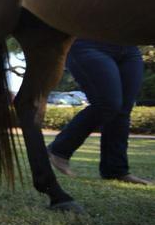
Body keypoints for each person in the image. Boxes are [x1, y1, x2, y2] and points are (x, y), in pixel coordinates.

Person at [48, 40, 151, 185]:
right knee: (108, 104)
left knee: (123, 111)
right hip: (89, 43)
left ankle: (115, 170)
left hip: (130, 48)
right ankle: (59, 149)